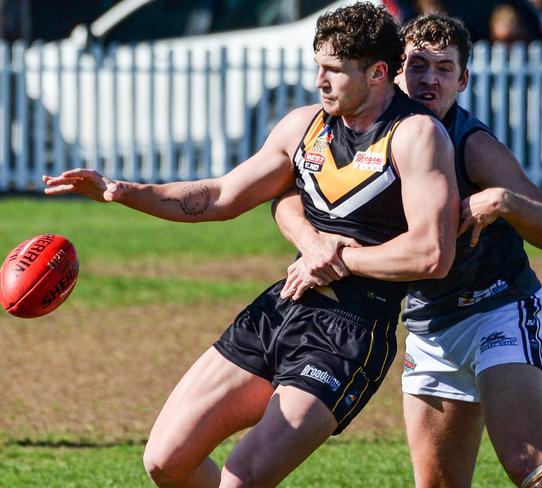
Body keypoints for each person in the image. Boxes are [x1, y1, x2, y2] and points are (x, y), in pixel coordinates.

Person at [43, 3, 459, 487]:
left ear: (377, 73)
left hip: (351, 332)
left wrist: (338, 258)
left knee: (241, 478)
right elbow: (221, 195)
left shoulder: (416, 136)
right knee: (166, 458)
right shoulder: (305, 127)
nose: (320, 81)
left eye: (333, 71)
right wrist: (124, 191)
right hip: (282, 307)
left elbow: (432, 254)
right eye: (317, 67)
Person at [273, 13, 542, 488]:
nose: (428, 79)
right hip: (428, 322)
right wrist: (311, 242)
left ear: (463, 79)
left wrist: (503, 201)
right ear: (394, 71)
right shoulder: (369, 130)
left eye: (444, 69)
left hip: (497, 309)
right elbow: (286, 190)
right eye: (418, 66)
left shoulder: (473, 144)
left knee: (529, 465)